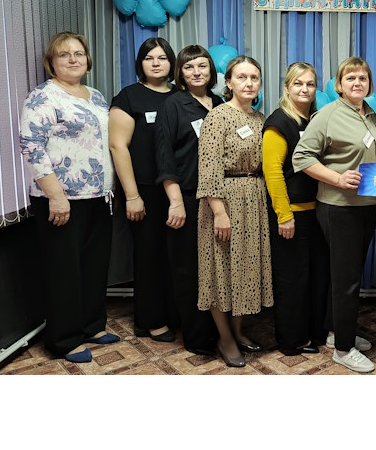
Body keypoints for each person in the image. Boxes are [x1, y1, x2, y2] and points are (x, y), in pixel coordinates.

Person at [19, 31, 119, 363]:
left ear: (88, 60)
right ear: (52, 62)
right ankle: (63, 339)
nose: (73, 59)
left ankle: (92, 326)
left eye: (78, 53)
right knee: (64, 270)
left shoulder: (96, 96)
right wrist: (56, 196)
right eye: (64, 54)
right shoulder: (42, 97)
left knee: (94, 266)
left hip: (98, 196)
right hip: (61, 199)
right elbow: (31, 147)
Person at [292, 57, 376, 373]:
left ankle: (336, 333)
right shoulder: (328, 115)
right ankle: (344, 350)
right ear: (338, 85)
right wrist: (336, 178)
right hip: (339, 209)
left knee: (348, 275)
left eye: (363, 78)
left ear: (369, 84)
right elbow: (302, 157)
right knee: (347, 280)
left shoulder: (371, 115)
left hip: (367, 207)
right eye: (350, 78)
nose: (357, 83)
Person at [196, 56, 272, 368]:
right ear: (228, 82)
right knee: (220, 270)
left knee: (245, 269)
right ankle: (225, 338)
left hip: (254, 200)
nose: (248, 83)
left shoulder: (261, 119)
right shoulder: (217, 117)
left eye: (254, 77)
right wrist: (219, 212)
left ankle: (239, 331)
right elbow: (208, 167)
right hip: (224, 201)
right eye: (241, 77)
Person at [110, 37, 179, 343]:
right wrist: (132, 195)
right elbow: (118, 146)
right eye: (149, 58)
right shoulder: (129, 97)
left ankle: (174, 314)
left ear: (171, 63)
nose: (156, 63)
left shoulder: (180, 96)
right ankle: (151, 320)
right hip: (144, 191)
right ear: (140, 63)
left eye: (162, 58)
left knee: (174, 256)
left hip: (177, 189)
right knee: (149, 255)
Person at [154, 45, 222, 356]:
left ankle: (220, 331)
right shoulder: (173, 105)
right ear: (180, 73)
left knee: (217, 268)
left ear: (211, 70)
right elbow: (164, 156)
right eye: (189, 67)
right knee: (189, 269)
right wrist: (176, 201)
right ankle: (197, 337)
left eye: (202, 66)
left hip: (219, 199)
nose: (196, 72)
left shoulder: (220, 103)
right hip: (188, 198)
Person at [263, 62, 329, 356]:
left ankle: (314, 333)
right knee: (292, 280)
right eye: (298, 83)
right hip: (291, 214)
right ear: (287, 87)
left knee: (314, 276)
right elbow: (273, 172)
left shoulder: (313, 120)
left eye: (310, 84)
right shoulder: (279, 122)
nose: (304, 89)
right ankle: (291, 341)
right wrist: (284, 216)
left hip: (317, 212)